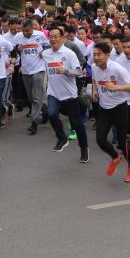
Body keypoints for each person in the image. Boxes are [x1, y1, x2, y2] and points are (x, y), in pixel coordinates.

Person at [91, 42, 130, 182]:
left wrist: (116, 88)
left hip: (120, 108)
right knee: (100, 140)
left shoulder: (117, 68)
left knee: (123, 143)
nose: (96, 57)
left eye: (99, 54)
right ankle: (115, 157)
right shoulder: (94, 67)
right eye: (94, 55)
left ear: (107, 55)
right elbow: (95, 79)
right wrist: (95, 90)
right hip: (104, 109)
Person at [43, 26, 89, 163]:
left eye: (56, 36)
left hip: (69, 94)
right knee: (51, 114)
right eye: (51, 37)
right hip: (53, 92)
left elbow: (79, 72)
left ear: (62, 38)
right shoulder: (46, 54)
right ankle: (62, 138)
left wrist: (66, 71)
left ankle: (84, 148)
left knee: (76, 123)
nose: (53, 39)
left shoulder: (69, 54)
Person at [9, 18, 51, 134]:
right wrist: (18, 49)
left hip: (39, 69)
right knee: (31, 98)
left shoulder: (40, 35)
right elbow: (13, 50)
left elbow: (48, 47)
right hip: (26, 70)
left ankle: (34, 123)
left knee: (36, 97)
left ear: (32, 28)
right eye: (23, 31)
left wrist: (43, 52)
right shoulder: (18, 36)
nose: (25, 33)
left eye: (27, 31)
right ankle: (46, 110)